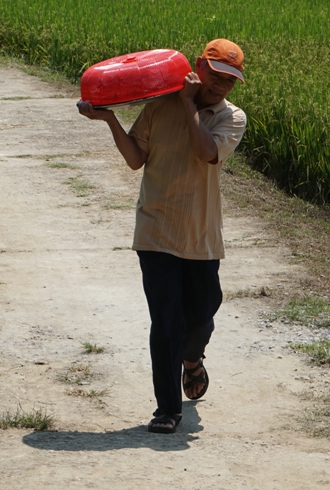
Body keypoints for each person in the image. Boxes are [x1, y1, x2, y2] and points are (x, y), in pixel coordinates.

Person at [77, 39, 247, 433]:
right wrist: (109, 120)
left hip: (200, 234)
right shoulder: (159, 108)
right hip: (155, 231)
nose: (223, 86)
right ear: (200, 66)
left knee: (202, 315)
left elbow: (207, 154)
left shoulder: (231, 118)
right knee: (166, 322)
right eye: (218, 75)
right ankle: (167, 409)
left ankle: (192, 359)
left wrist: (189, 105)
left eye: (231, 81)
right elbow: (137, 159)